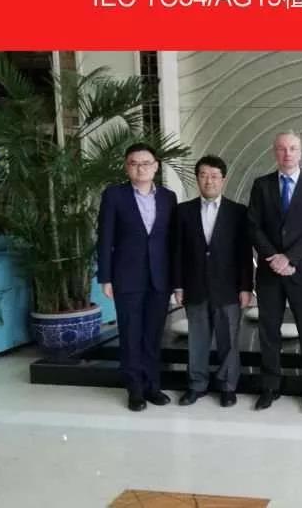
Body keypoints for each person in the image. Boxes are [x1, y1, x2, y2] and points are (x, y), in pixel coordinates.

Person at [247, 131, 302, 413]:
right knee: (268, 330)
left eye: (293, 148)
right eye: (282, 149)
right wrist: (273, 257)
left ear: (301, 152)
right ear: (275, 152)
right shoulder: (261, 185)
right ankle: (270, 386)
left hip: (301, 270)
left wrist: (289, 257)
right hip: (270, 272)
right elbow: (253, 226)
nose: (287, 153)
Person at [97, 143, 177, 412]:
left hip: (160, 277)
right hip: (126, 276)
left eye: (145, 163)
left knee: (153, 334)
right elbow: (105, 238)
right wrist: (105, 277)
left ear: (156, 166)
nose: (140, 168)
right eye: (134, 163)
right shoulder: (114, 195)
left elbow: (172, 242)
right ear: (126, 167)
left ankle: (153, 386)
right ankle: (135, 390)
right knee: (130, 334)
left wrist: (177, 280)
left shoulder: (168, 197)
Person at [172, 155, 253, 408]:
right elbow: (176, 251)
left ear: (223, 180)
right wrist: (178, 285)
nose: (209, 181)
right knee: (197, 340)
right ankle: (197, 385)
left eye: (214, 176)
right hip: (194, 286)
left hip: (229, 288)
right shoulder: (183, 211)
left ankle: (228, 386)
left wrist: (246, 287)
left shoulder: (238, 212)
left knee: (228, 340)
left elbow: (245, 253)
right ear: (197, 179)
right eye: (204, 175)